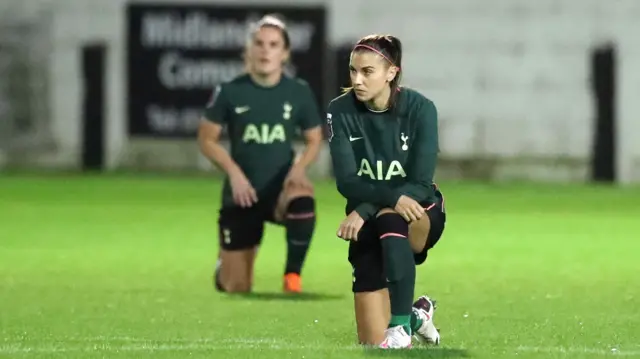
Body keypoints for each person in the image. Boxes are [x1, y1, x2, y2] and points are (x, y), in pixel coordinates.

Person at [326, 34, 447, 349]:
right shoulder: (340, 111)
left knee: (390, 217)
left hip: (418, 213)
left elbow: (420, 185)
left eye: (367, 72)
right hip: (370, 218)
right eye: (353, 71)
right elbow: (346, 181)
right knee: (370, 342)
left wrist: (366, 209)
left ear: (391, 72)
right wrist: (382, 202)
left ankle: (400, 328)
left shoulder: (421, 109)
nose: (357, 80)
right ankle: (416, 317)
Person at [198, 15, 323, 294]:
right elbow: (207, 139)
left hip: (279, 191)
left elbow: (314, 139)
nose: (266, 50)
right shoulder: (230, 92)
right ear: (249, 50)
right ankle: (225, 267)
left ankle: (292, 276)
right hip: (242, 194)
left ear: (285, 53)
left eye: (273, 44)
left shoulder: (298, 92)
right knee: (237, 287)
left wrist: (299, 168)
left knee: (303, 198)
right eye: (259, 43)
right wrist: (234, 174)